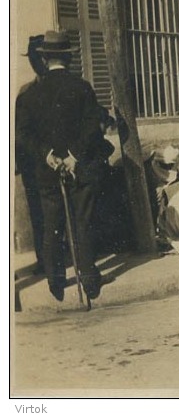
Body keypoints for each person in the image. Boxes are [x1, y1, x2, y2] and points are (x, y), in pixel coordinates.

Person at [16, 30, 108, 301]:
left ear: (44, 60)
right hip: (78, 167)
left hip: (47, 171)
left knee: (51, 223)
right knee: (82, 221)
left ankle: (55, 283)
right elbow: (93, 128)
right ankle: (90, 279)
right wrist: (73, 156)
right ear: (68, 58)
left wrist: (47, 155)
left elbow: (23, 134)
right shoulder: (82, 88)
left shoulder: (31, 95)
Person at [15, 35, 48, 274]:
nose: (35, 62)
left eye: (38, 57)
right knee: (38, 213)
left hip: (57, 162)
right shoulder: (24, 93)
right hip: (33, 166)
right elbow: (18, 133)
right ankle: (45, 261)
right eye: (32, 58)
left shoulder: (61, 87)